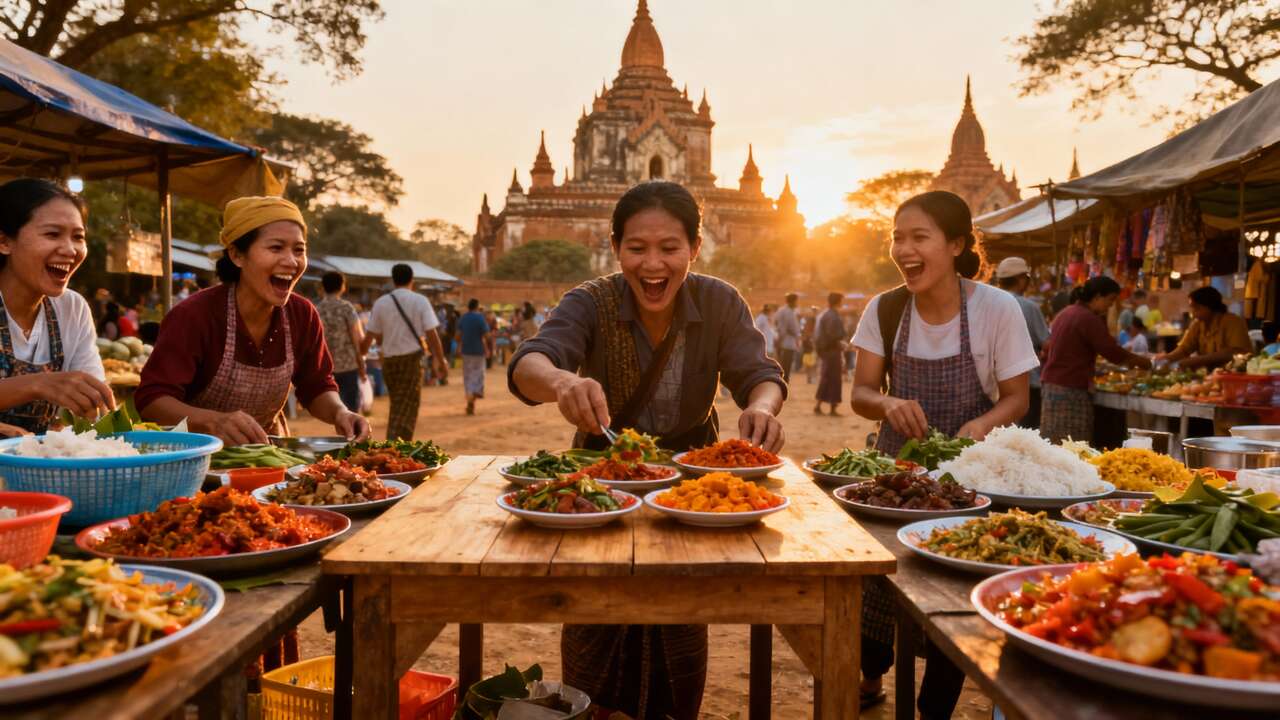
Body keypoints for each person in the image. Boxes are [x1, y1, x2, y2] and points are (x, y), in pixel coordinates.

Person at [509, 180, 785, 720]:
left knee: (680, 625)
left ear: (694, 249)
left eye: (669, 248)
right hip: (599, 491)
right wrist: (563, 383)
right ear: (616, 250)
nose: (652, 264)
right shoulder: (589, 301)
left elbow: (761, 375)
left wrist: (764, 408)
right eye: (637, 248)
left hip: (691, 495)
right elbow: (531, 362)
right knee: (594, 622)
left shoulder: (720, 300)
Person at [851, 190, 1037, 717]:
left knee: (950, 596)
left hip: (967, 481)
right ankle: (870, 675)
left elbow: (1016, 398)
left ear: (956, 244)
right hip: (894, 479)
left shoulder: (997, 308)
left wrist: (978, 425)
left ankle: (934, 708)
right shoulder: (885, 309)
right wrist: (887, 403)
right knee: (877, 588)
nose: (903, 249)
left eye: (919, 237)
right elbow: (861, 392)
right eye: (897, 237)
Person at [137, 196, 370, 445]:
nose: (291, 262)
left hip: (267, 456)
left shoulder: (302, 314)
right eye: (276, 248)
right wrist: (213, 422)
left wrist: (339, 412)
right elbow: (152, 401)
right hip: (195, 459)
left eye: (299, 250)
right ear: (237, 255)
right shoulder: (195, 315)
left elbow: (316, 386)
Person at [0, 179, 112, 434]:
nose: (70, 250)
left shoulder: (71, 308)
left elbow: (94, 405)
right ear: (4, 242)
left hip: (39, 470)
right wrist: (37, 384)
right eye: (52, 234)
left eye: (78, 237)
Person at [1039, 276, 1153, 444]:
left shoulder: (1066, 312)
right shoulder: (1087, 318)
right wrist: (1141, 361)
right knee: (1073, 444)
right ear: (1098, 296)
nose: (1110, 305)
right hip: (1070, 388)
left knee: (1056, 443)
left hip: (1052, 385)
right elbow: (1111, 352)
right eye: (1110, 300)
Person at [361, 263, 448, 441]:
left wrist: (361, 355)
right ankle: (397, 447)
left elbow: (372, 335)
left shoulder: (381, 303)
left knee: (397, 405)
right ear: (412, 280)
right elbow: (432, 334)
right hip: (411, 361)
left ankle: (396, 447)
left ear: (393, 281)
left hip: (389, 363)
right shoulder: (420, 301)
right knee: (408, 408)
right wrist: (441, 360)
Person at [995, 256, 1050, 428]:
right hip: (1026, 383)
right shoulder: (1028, 306)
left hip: (993, 381)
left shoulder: (989, 303)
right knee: (1025, 434)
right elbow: (1047, 344)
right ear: (1020, 279)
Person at [1154, 286, 1253, 369]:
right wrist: (1165, 359)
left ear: (1210, 306)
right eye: (1192, 308)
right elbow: (1184, 349)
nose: (1193, 312)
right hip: (1209, 376)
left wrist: (1197, 360)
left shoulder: (1233, 321)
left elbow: (1236, 352)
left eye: (1196, 308)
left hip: (1234, 374)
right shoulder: (1198, 324)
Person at [316, 271, 367, 413]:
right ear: (342, 287)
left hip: (327, 368)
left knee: (336, 411)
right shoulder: (346, 308)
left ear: (323, 287)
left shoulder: (317, 309)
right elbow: (355, 337)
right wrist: (361, 363)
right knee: (352, 410)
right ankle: (353, 435)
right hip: (348, 365)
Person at [456, 298, 490, 415]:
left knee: (468, 375)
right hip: (478, 351)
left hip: (466, 351)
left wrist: (459, 346)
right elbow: (486, 335)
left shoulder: (463, 318)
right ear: (477, 306)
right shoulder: (480, 318)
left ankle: (470, 396)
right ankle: (474, 396)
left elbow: (458, 335)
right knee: (478, 374)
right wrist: (488, 347)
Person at [814, 292, 846, 415]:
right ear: (838, 301)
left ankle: (818, 405)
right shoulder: (832, 316)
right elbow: (833, 335)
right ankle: (832, 407)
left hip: (827, 351)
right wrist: (840, 342)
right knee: (834, 379)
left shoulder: (826, 314)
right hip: (832, 351)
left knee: (826, 378)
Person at [774, 292, 801, 385]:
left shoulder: (782, 310)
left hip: (782, 339)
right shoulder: (789, 312)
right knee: (786, 363)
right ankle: (784, 381)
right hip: (788, 341)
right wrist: (797, 336)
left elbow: (776, 322)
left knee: (782, 362)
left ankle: (781, 380)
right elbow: (791, 328)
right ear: (793, 301)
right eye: (797, 301)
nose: (797, 303)